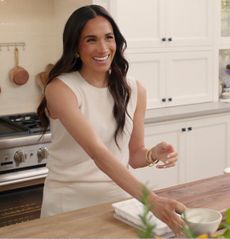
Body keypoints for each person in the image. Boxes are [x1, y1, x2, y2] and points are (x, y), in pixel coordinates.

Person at [37, 4, 186, 235]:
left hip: (119, 204)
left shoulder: (135, 89)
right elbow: (98, 154)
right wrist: (153, 201)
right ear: (76, 46)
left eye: (109, 37)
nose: (103, 47)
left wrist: (152, 155)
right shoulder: (60, 89)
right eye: (91, 40)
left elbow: (134, 156)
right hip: (68, 204)